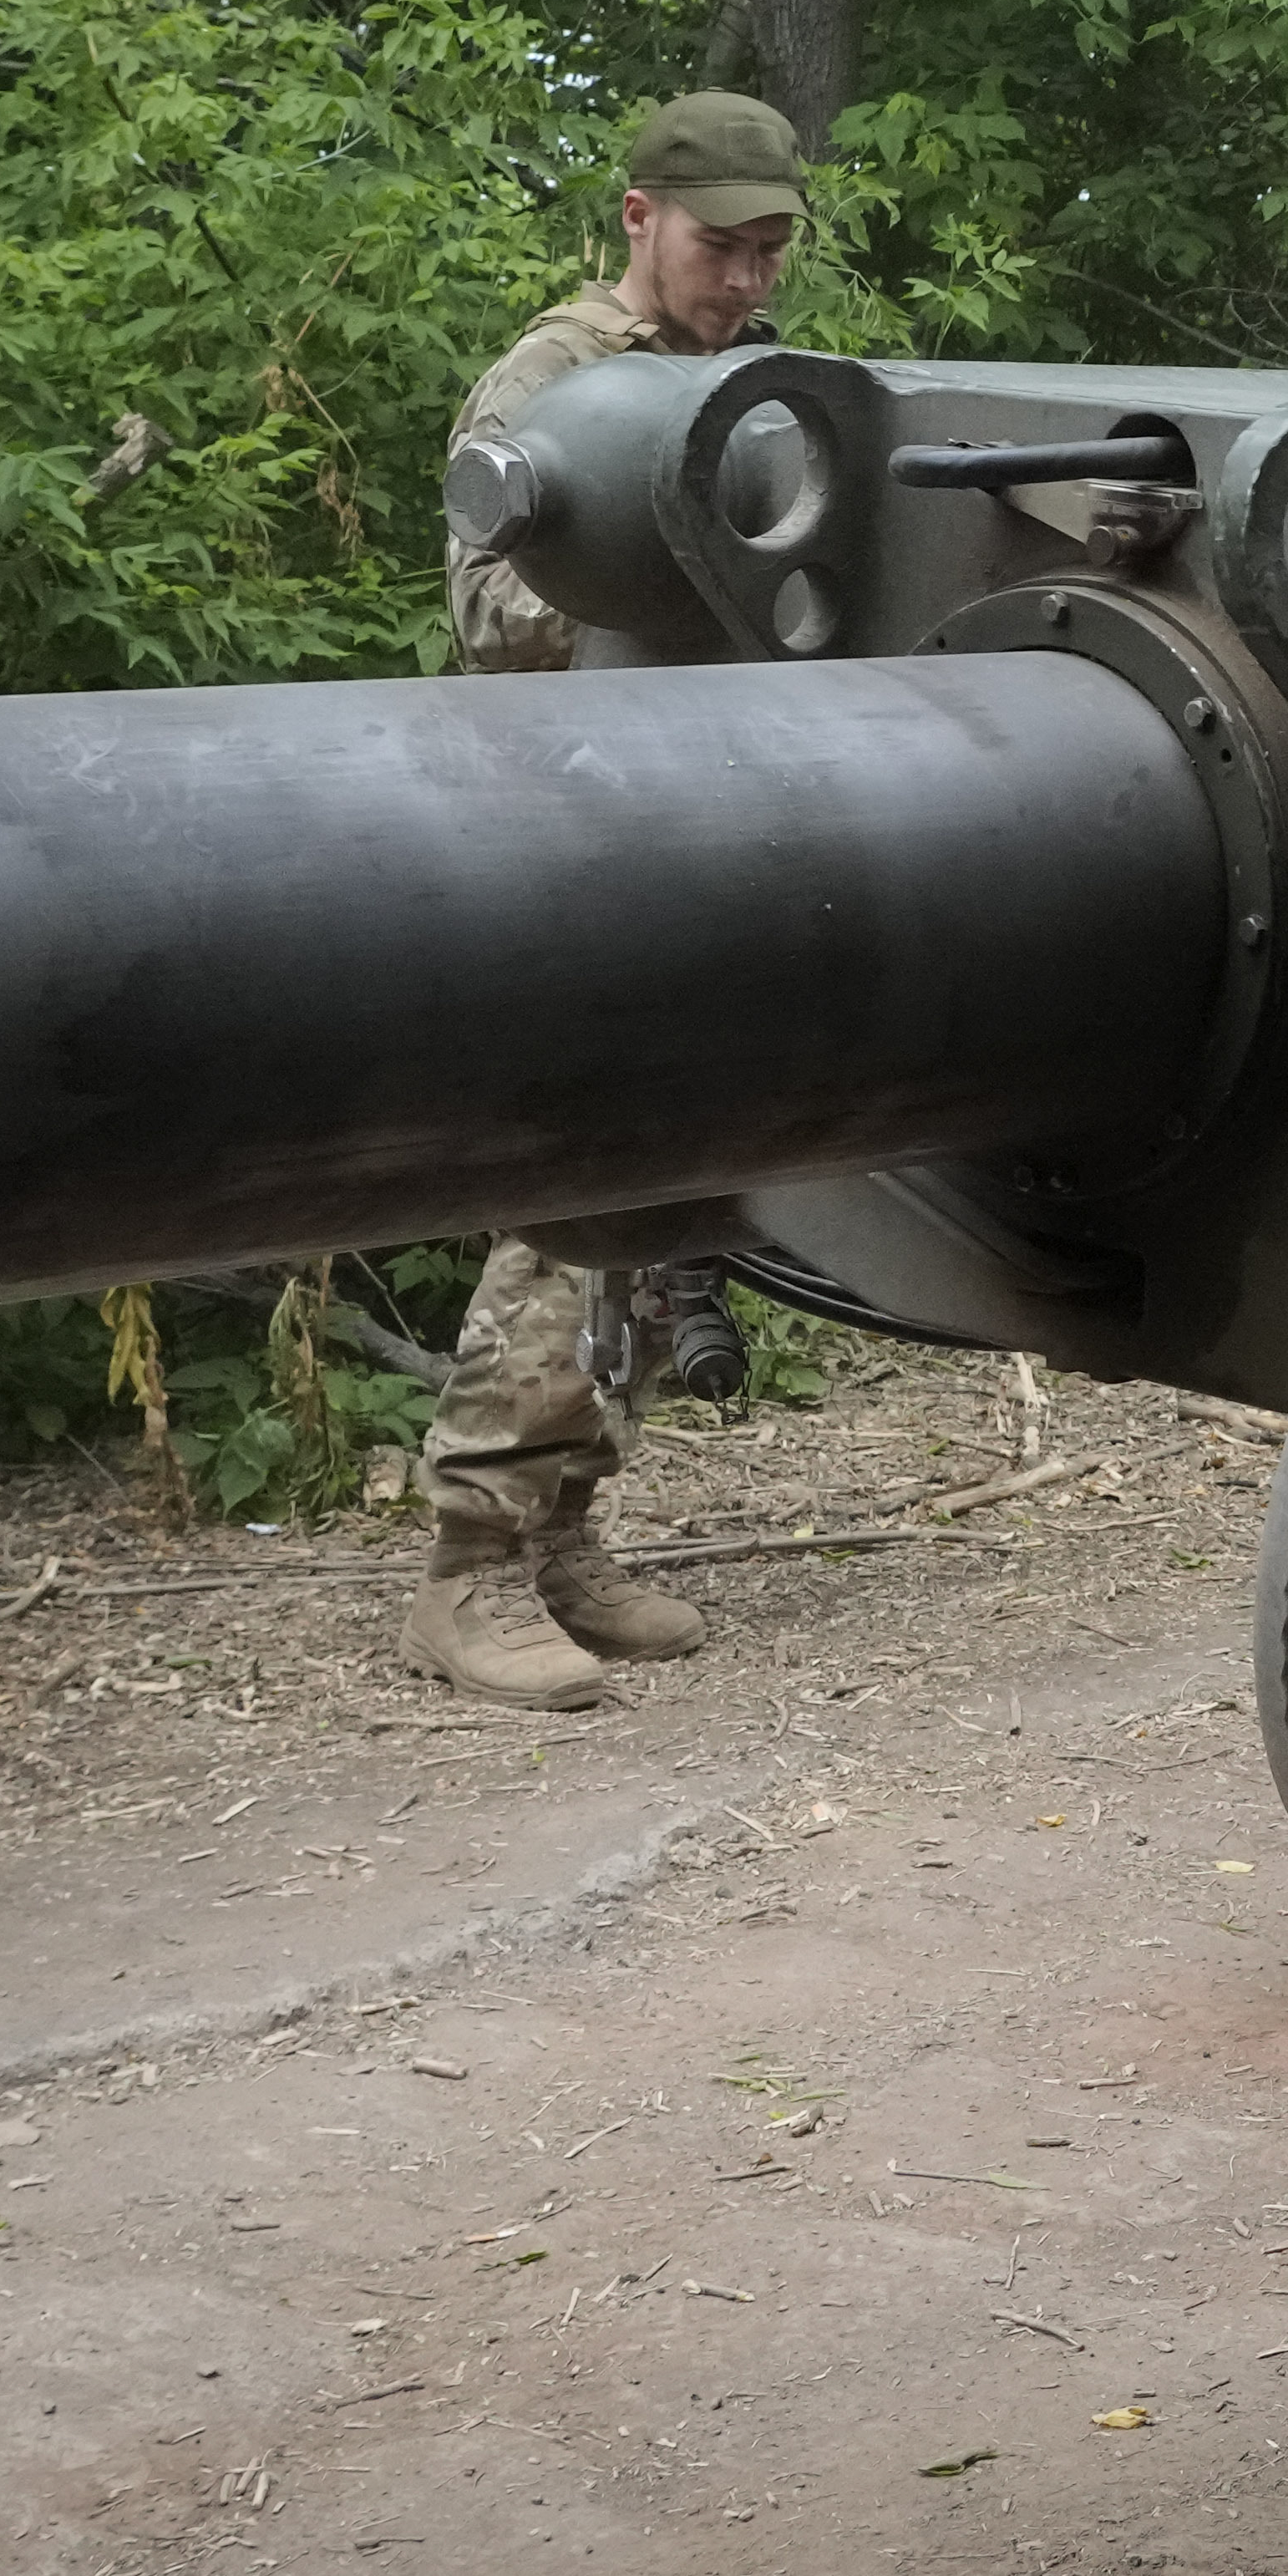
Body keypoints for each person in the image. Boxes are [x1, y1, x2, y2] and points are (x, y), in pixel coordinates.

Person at [411, 89, 809, 1710]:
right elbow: (489, 603)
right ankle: (467, 1564)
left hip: (689, 825)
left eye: (772, 248)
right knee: (568, 1191)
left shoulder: (729, 383)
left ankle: (569, 1529)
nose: (747, 279)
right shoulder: (552, 385)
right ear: (640, 214)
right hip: (568, 835)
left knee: (656, 1203)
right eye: (722, 246)